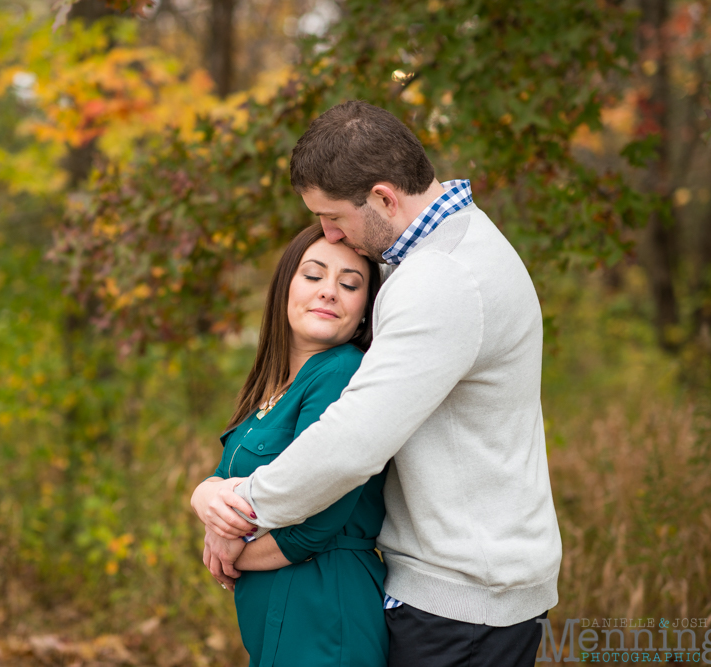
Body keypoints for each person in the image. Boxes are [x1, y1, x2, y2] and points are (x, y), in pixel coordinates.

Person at [194, 100, 563, 667]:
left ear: (385, 198)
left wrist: (237, 512)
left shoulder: (444, 278)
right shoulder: (444, 251)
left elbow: (352, 443)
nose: (328, 233)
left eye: (334, 216)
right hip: (462, 590)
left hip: (462, 604)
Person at [190, 223, 387, 667]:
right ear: (285, 287)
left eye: (349, 284)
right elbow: (231, 477)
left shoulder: (341, 372)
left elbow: (317, 523)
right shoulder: (275, 385)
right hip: (281, 619)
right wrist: (202, 496)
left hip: (323, 611)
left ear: (365, 310)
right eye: (313, 275)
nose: (329, 292)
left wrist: (233, 554)